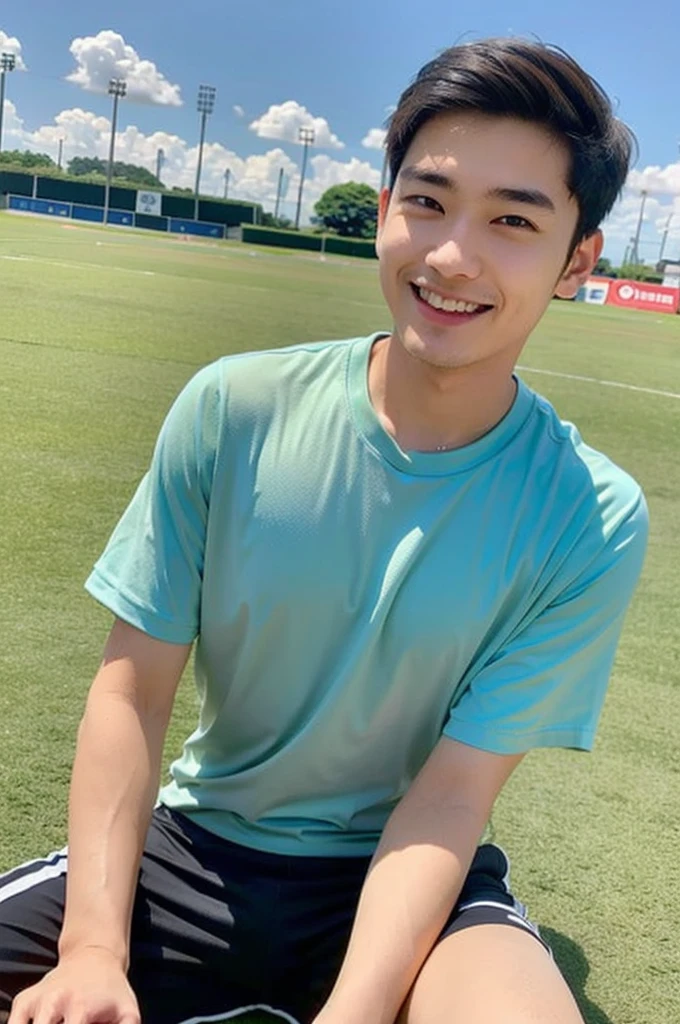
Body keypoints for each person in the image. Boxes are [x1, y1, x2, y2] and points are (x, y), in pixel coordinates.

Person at [0, 37, 647, 1024]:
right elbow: (130, 690)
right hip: (193, 847)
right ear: (384, 205)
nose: (449, 255)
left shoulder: (588, 513)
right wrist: (92, 946)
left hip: (411, 881)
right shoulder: (234, 408)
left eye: (511, 219)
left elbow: (449, 795)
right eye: (425, 200)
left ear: (576, 261)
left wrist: (354, 1010)